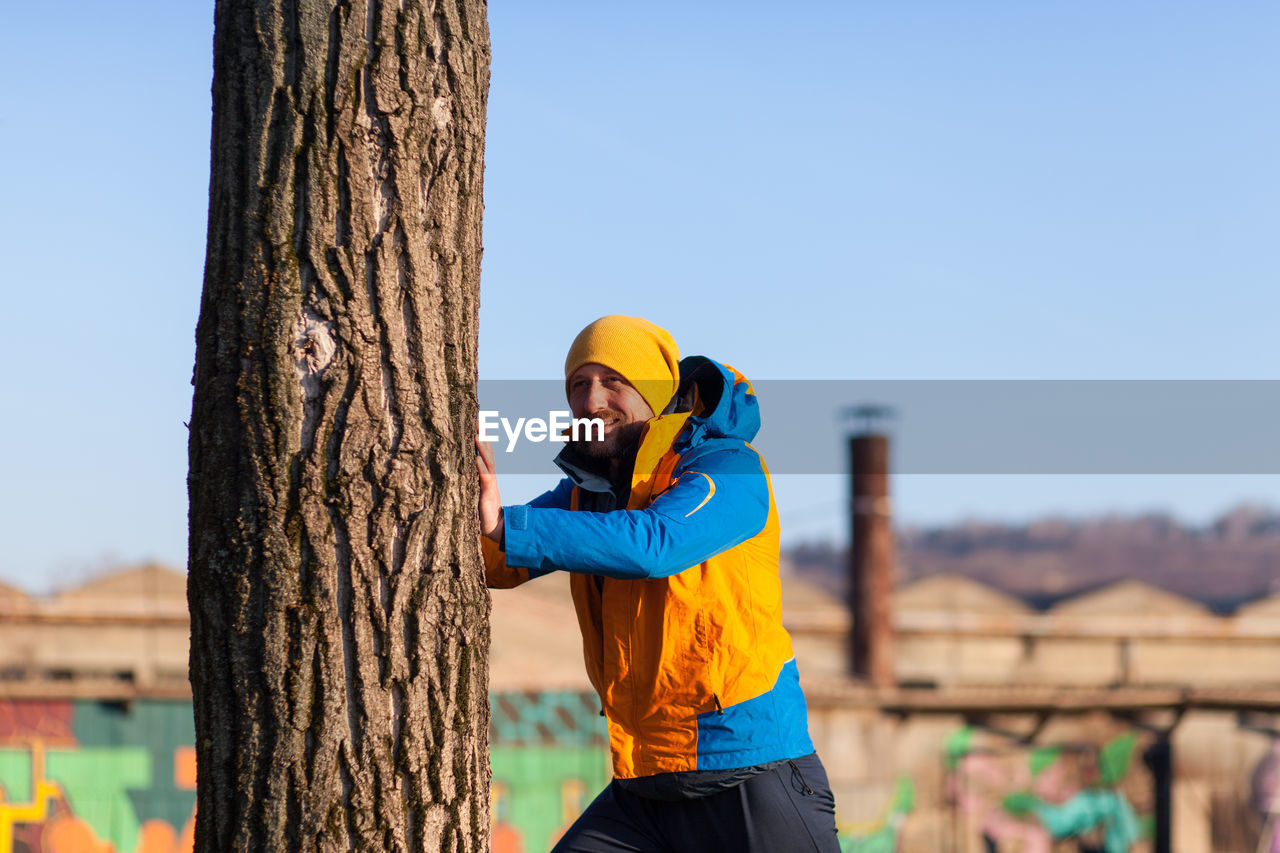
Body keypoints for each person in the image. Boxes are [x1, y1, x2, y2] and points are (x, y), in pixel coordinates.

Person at [476, 315, 839, 853]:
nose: (591, 400)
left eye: (613, 383)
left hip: (749, 775)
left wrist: (510, 527)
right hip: (643, 788)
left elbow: (654, 543)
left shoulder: (729, 467)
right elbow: (499, 562)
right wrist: (478, 519)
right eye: (578, 384)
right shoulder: (587, 491)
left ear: (652, 395)